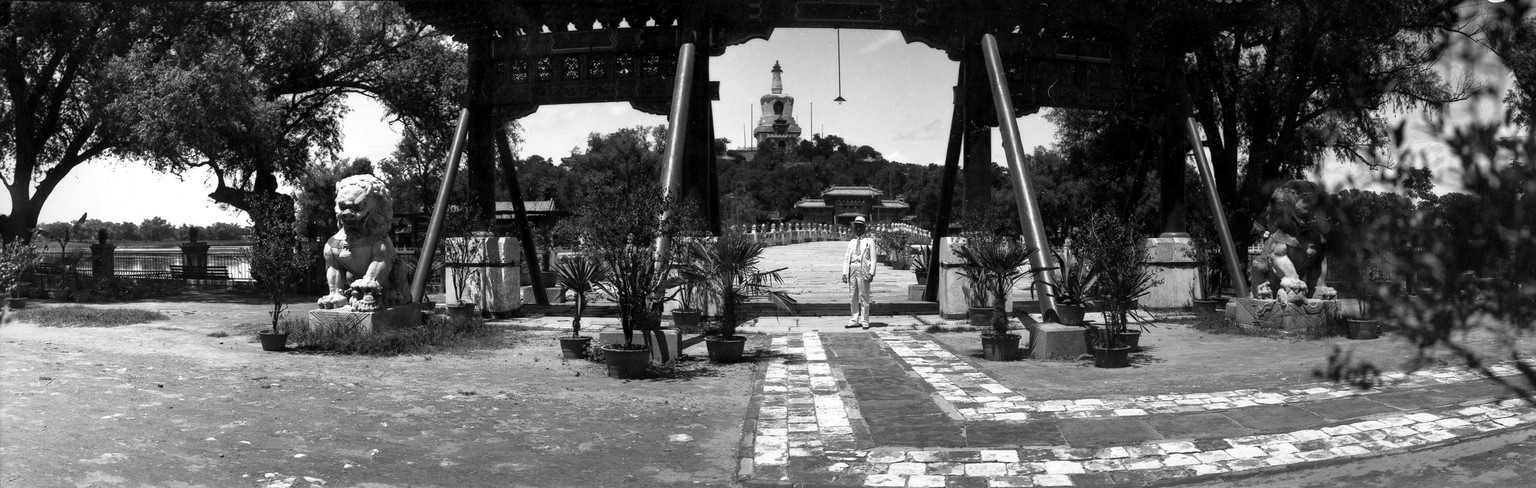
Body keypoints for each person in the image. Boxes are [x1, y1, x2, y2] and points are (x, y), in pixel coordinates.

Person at [842, 215, 877, 329]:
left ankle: (865, 321)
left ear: (864, 227)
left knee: (864, 295)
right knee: (853, 295)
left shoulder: (869, 241)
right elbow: (847, 258)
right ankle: (853, 319)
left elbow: (873, 258)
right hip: (853, 268)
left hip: (863, 269)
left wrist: (871, 273)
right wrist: (844, 273)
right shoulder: (851, 242)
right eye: (856, 226)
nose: (858, 228)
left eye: (860, 226)